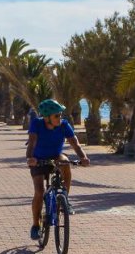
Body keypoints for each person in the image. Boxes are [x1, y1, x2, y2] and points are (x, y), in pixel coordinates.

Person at [27, 99, 90, 241]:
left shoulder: (64, 125)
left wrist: (83, 157)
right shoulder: (37, 124)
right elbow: (31, 144)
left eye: (60, 115)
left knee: (65, 162)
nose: (59, 118)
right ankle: (35, 225)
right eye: (56, 116)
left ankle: (65, 198)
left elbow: (75, 143)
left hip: (55, 156)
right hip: (38, 160)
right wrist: (30, 158)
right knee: (39, 191)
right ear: (47, 117)